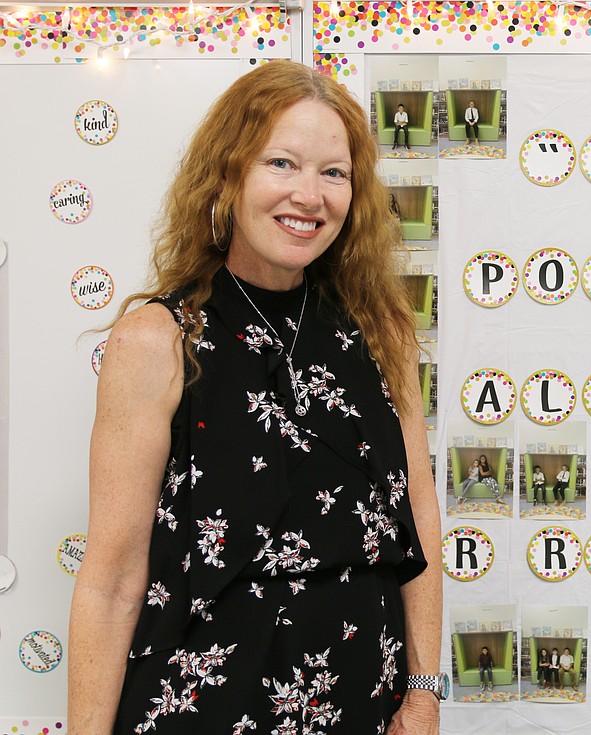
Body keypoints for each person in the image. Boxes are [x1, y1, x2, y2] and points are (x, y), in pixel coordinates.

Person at [69, 61, 442, 734]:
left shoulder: (380, 330)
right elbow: (113, 575)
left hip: (360, 704)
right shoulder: (157, 339)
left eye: (334, 173)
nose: (310, 194)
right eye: (282, 163)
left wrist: (422, 693)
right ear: (228, 173)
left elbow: (416, 516)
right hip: (203, 707)